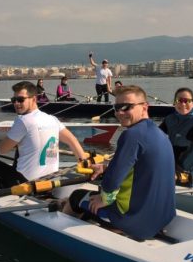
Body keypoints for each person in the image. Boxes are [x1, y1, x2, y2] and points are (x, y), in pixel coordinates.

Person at [64, 85, 176, 240]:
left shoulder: (131, 135)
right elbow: (137, 167)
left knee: (76, 197)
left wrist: (105, 199)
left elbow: (111, 182)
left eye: (126, 107)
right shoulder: (160, 135)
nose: (119, 113)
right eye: (116, 108)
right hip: (163, 218)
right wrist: (105, 167)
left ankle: (65, 234)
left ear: (145, 107)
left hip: (131, 220)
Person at [0, 81, 87, 188]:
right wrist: (84, 162)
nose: (16, 103)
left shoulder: (23, 121)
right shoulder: (52, 119)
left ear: (33, 99)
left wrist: (15, 141)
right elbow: (72, 140)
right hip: (51, 180)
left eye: (20, 100)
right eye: (14, 100)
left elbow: (3, 150)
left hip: (27, 184)